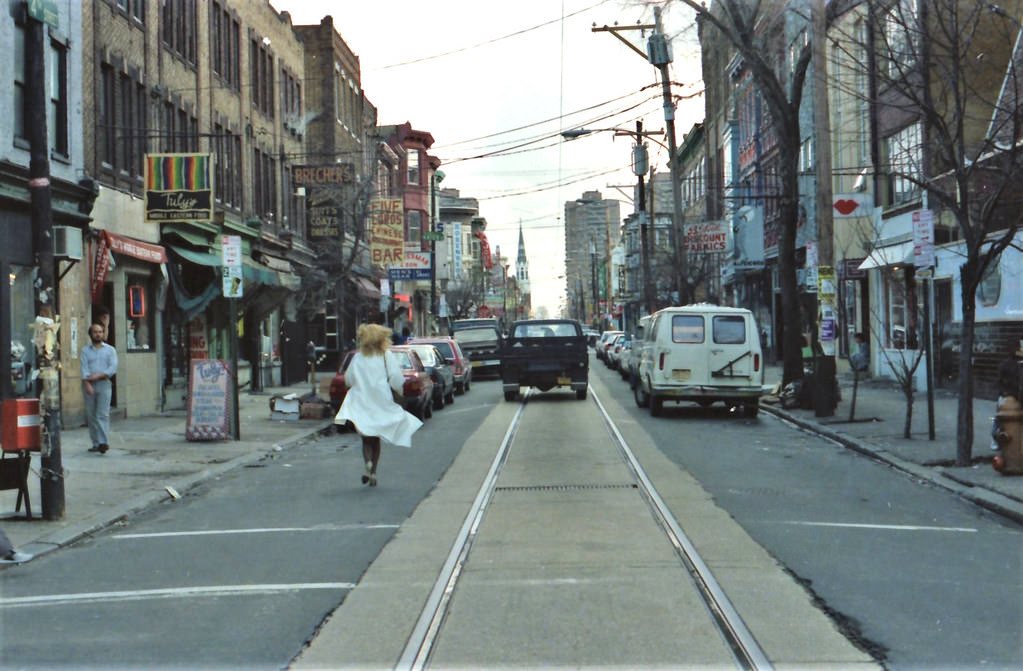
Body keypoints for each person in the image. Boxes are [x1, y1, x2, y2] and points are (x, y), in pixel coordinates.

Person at [334, 323, 422, 486]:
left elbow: (348, 379)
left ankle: (367, 462)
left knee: (365, 437)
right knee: (376, 438)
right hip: (380, 399)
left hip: (361, 400)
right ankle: (373, 471)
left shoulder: (358, 357)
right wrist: (399, 391)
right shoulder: (385, 356)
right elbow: (395, 377)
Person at [81, 322, 118, 454]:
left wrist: (97, 376)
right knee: (91, 415)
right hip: (89, 384)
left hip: (104, 384)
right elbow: (84, 368)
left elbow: (112, 368)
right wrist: (87, 384)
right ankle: (95, 443)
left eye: (100, 332)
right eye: (95, 332)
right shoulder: (85, 350)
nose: (98, 334)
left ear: (103, 333)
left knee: (102, 414)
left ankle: (103, 442)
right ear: (91, 334)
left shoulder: (110, 350)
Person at [992, 340, 1023, 451]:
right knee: (1001, 419)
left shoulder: (1010, 365)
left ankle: (996, 440)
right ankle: (997, 439)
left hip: (1007, 395)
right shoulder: (1015, 366)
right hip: (1011, 395)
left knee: (999, 419)